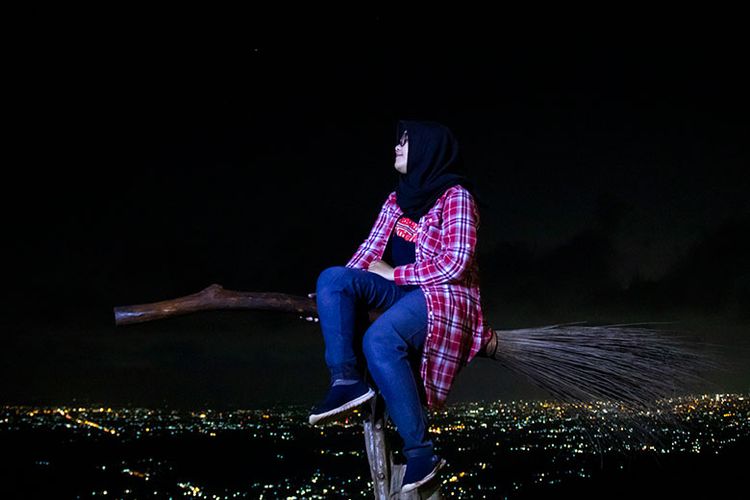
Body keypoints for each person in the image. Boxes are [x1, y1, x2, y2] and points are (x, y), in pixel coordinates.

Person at [304, 120, 493, 494]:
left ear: (427, 149)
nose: (396, 148)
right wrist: (332, 300)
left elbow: (455, 263)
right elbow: (368, 252)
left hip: (445, 298)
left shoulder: (456, 196)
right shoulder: (397, 200)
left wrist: (396, 274)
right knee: (331, 278)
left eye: (405, 142)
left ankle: (421, 454)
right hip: (405, 291)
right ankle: (345, 380)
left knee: (379, 339)